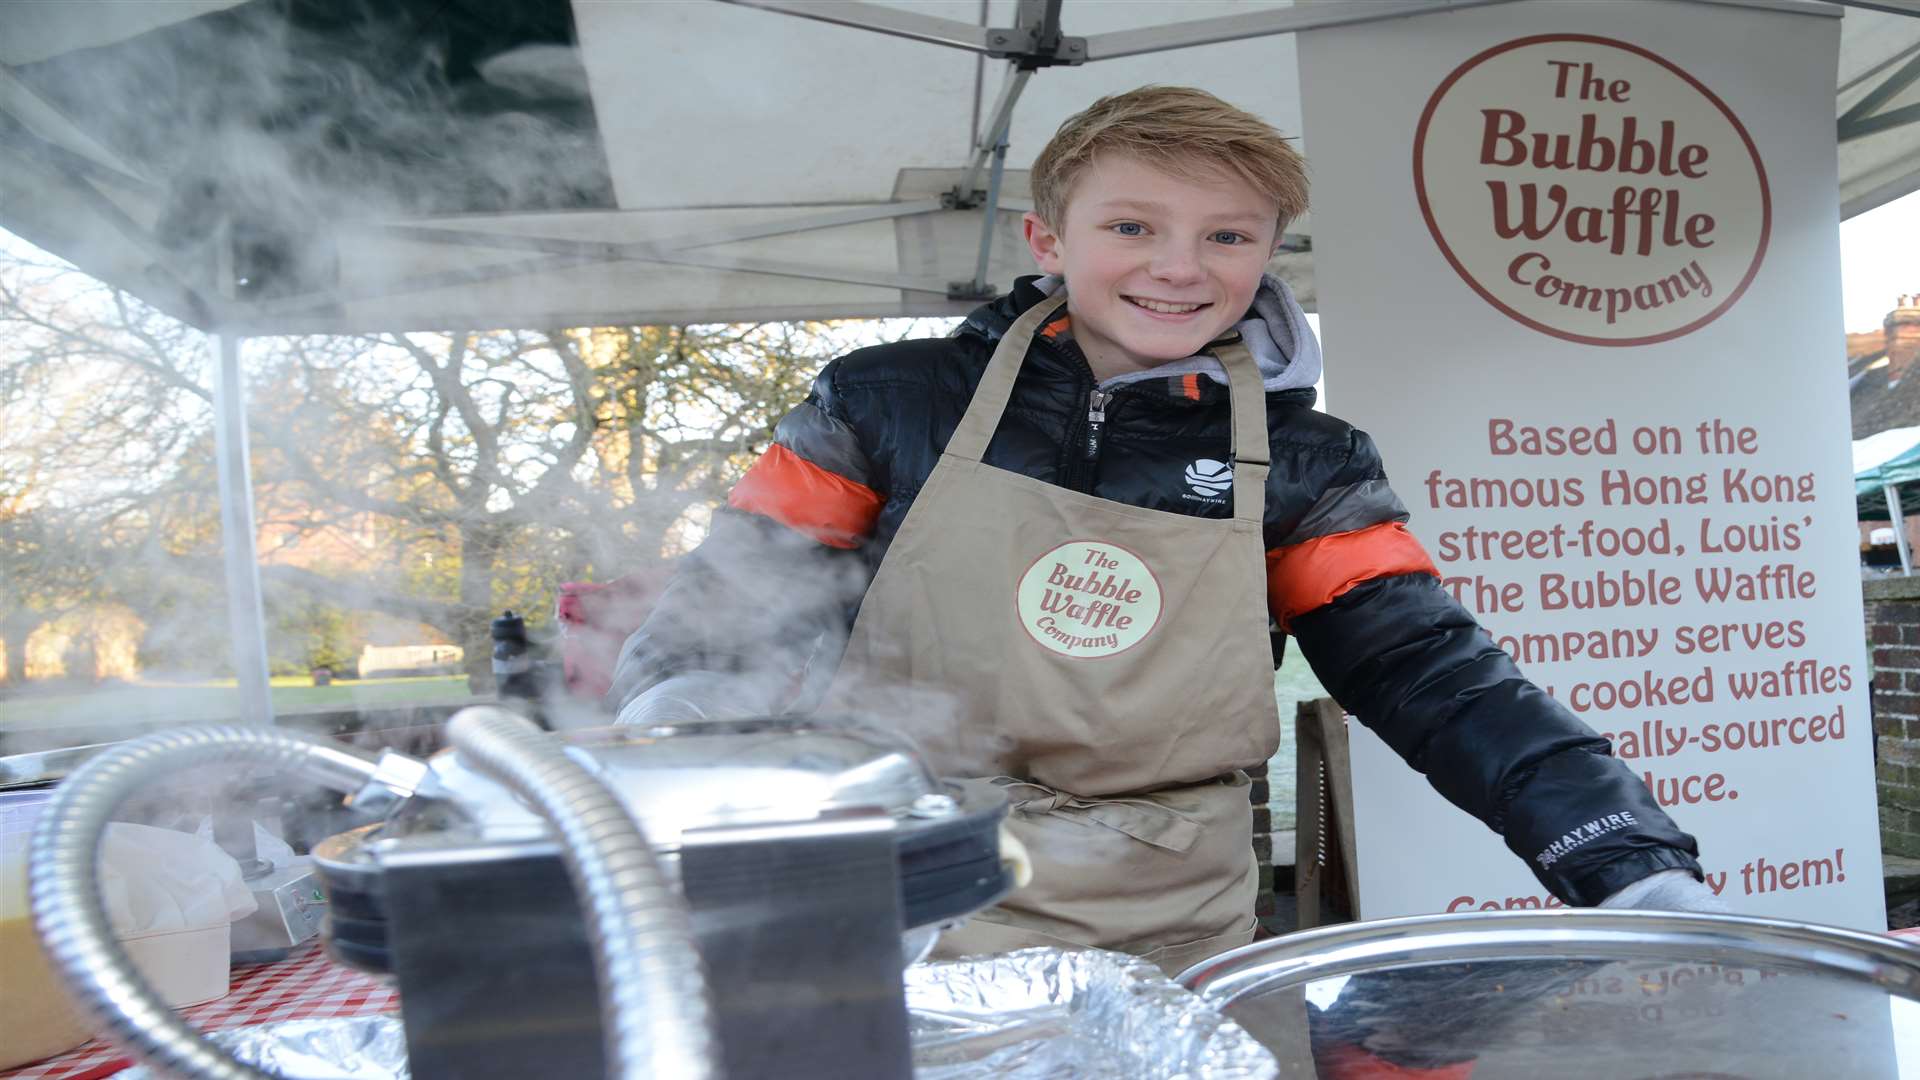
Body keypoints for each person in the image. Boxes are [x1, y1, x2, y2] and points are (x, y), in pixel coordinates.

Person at [607, 86, 1720, 974]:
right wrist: (680, 707)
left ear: (1267, 252)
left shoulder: (1310, 463)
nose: (1179, 266)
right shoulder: (881, 403)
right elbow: (734, 600)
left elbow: (1437, 676)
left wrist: (1623, 858)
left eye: (1227, 235)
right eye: (1132, 225)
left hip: (1170, 927)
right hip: (904, 900)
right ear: (1049, 235)